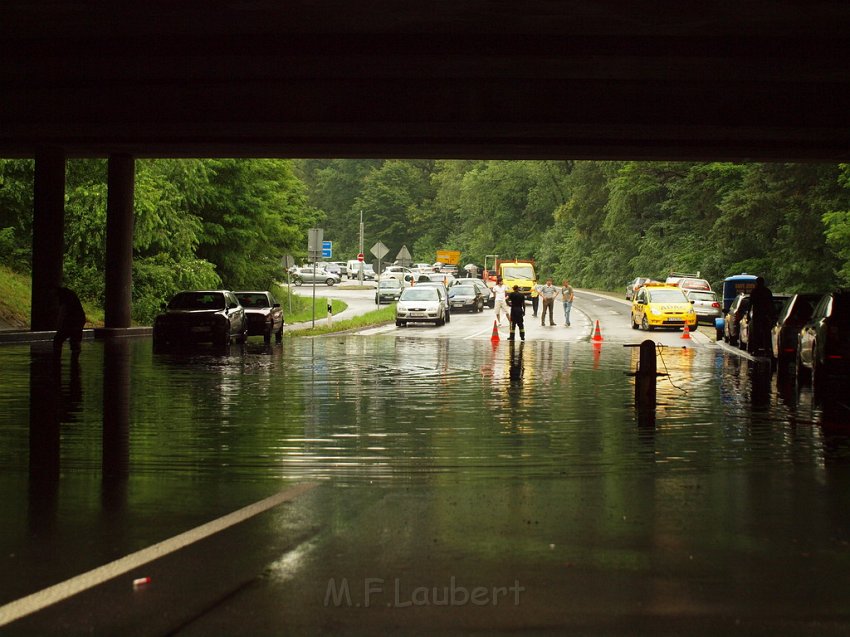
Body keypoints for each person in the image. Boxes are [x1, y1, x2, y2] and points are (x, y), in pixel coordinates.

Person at [52, 286, 86, 358]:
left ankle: (57, 360)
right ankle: (75, 362)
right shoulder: (69, 293)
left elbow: (62, 311)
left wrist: (58, 325)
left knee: (58, 340)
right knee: (75, 341)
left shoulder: (63, 295)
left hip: (73, 320)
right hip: (80, 319)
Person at [748, 276, 774, 355]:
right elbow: (771, 304)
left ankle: (756, 350)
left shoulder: (754, 291)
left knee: (756, 333)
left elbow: (750, 303)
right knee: (766, 333)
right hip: (765, 315)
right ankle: (766, 350)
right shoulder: (767, 291)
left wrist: (748, 313)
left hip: (757, 315)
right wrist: (771, 314)